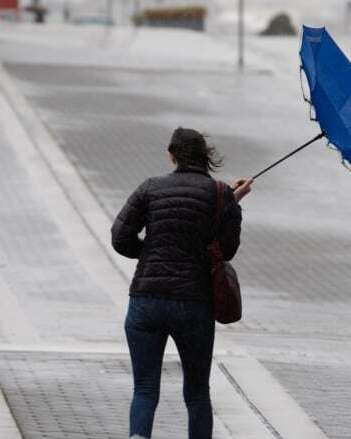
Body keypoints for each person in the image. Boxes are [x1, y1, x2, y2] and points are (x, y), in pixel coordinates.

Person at [111, 127, 253, 439]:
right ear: (206, 158)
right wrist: (232, 203)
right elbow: (227, 250)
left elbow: (120, 238)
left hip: (147, 299)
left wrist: (147, 253)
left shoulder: (149, 188)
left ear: (172, 155)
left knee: (145, 388)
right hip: (194, 303)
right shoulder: (219, 194)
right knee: (197, 392)